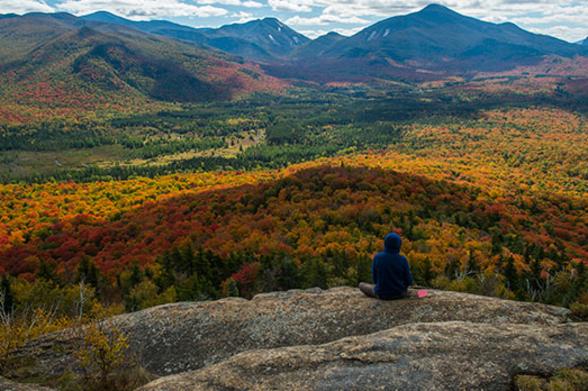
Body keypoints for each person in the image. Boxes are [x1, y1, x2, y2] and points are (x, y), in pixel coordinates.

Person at [359, 232, 413, 300]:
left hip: (381, 294)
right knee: (421, 292)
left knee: (361, 285)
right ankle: (428, 295)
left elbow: (375, 279)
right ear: (399, 245)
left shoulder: (377, 257)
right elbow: (409, 281)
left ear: (385, 244)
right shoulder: (402, 260)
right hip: (399, 294)